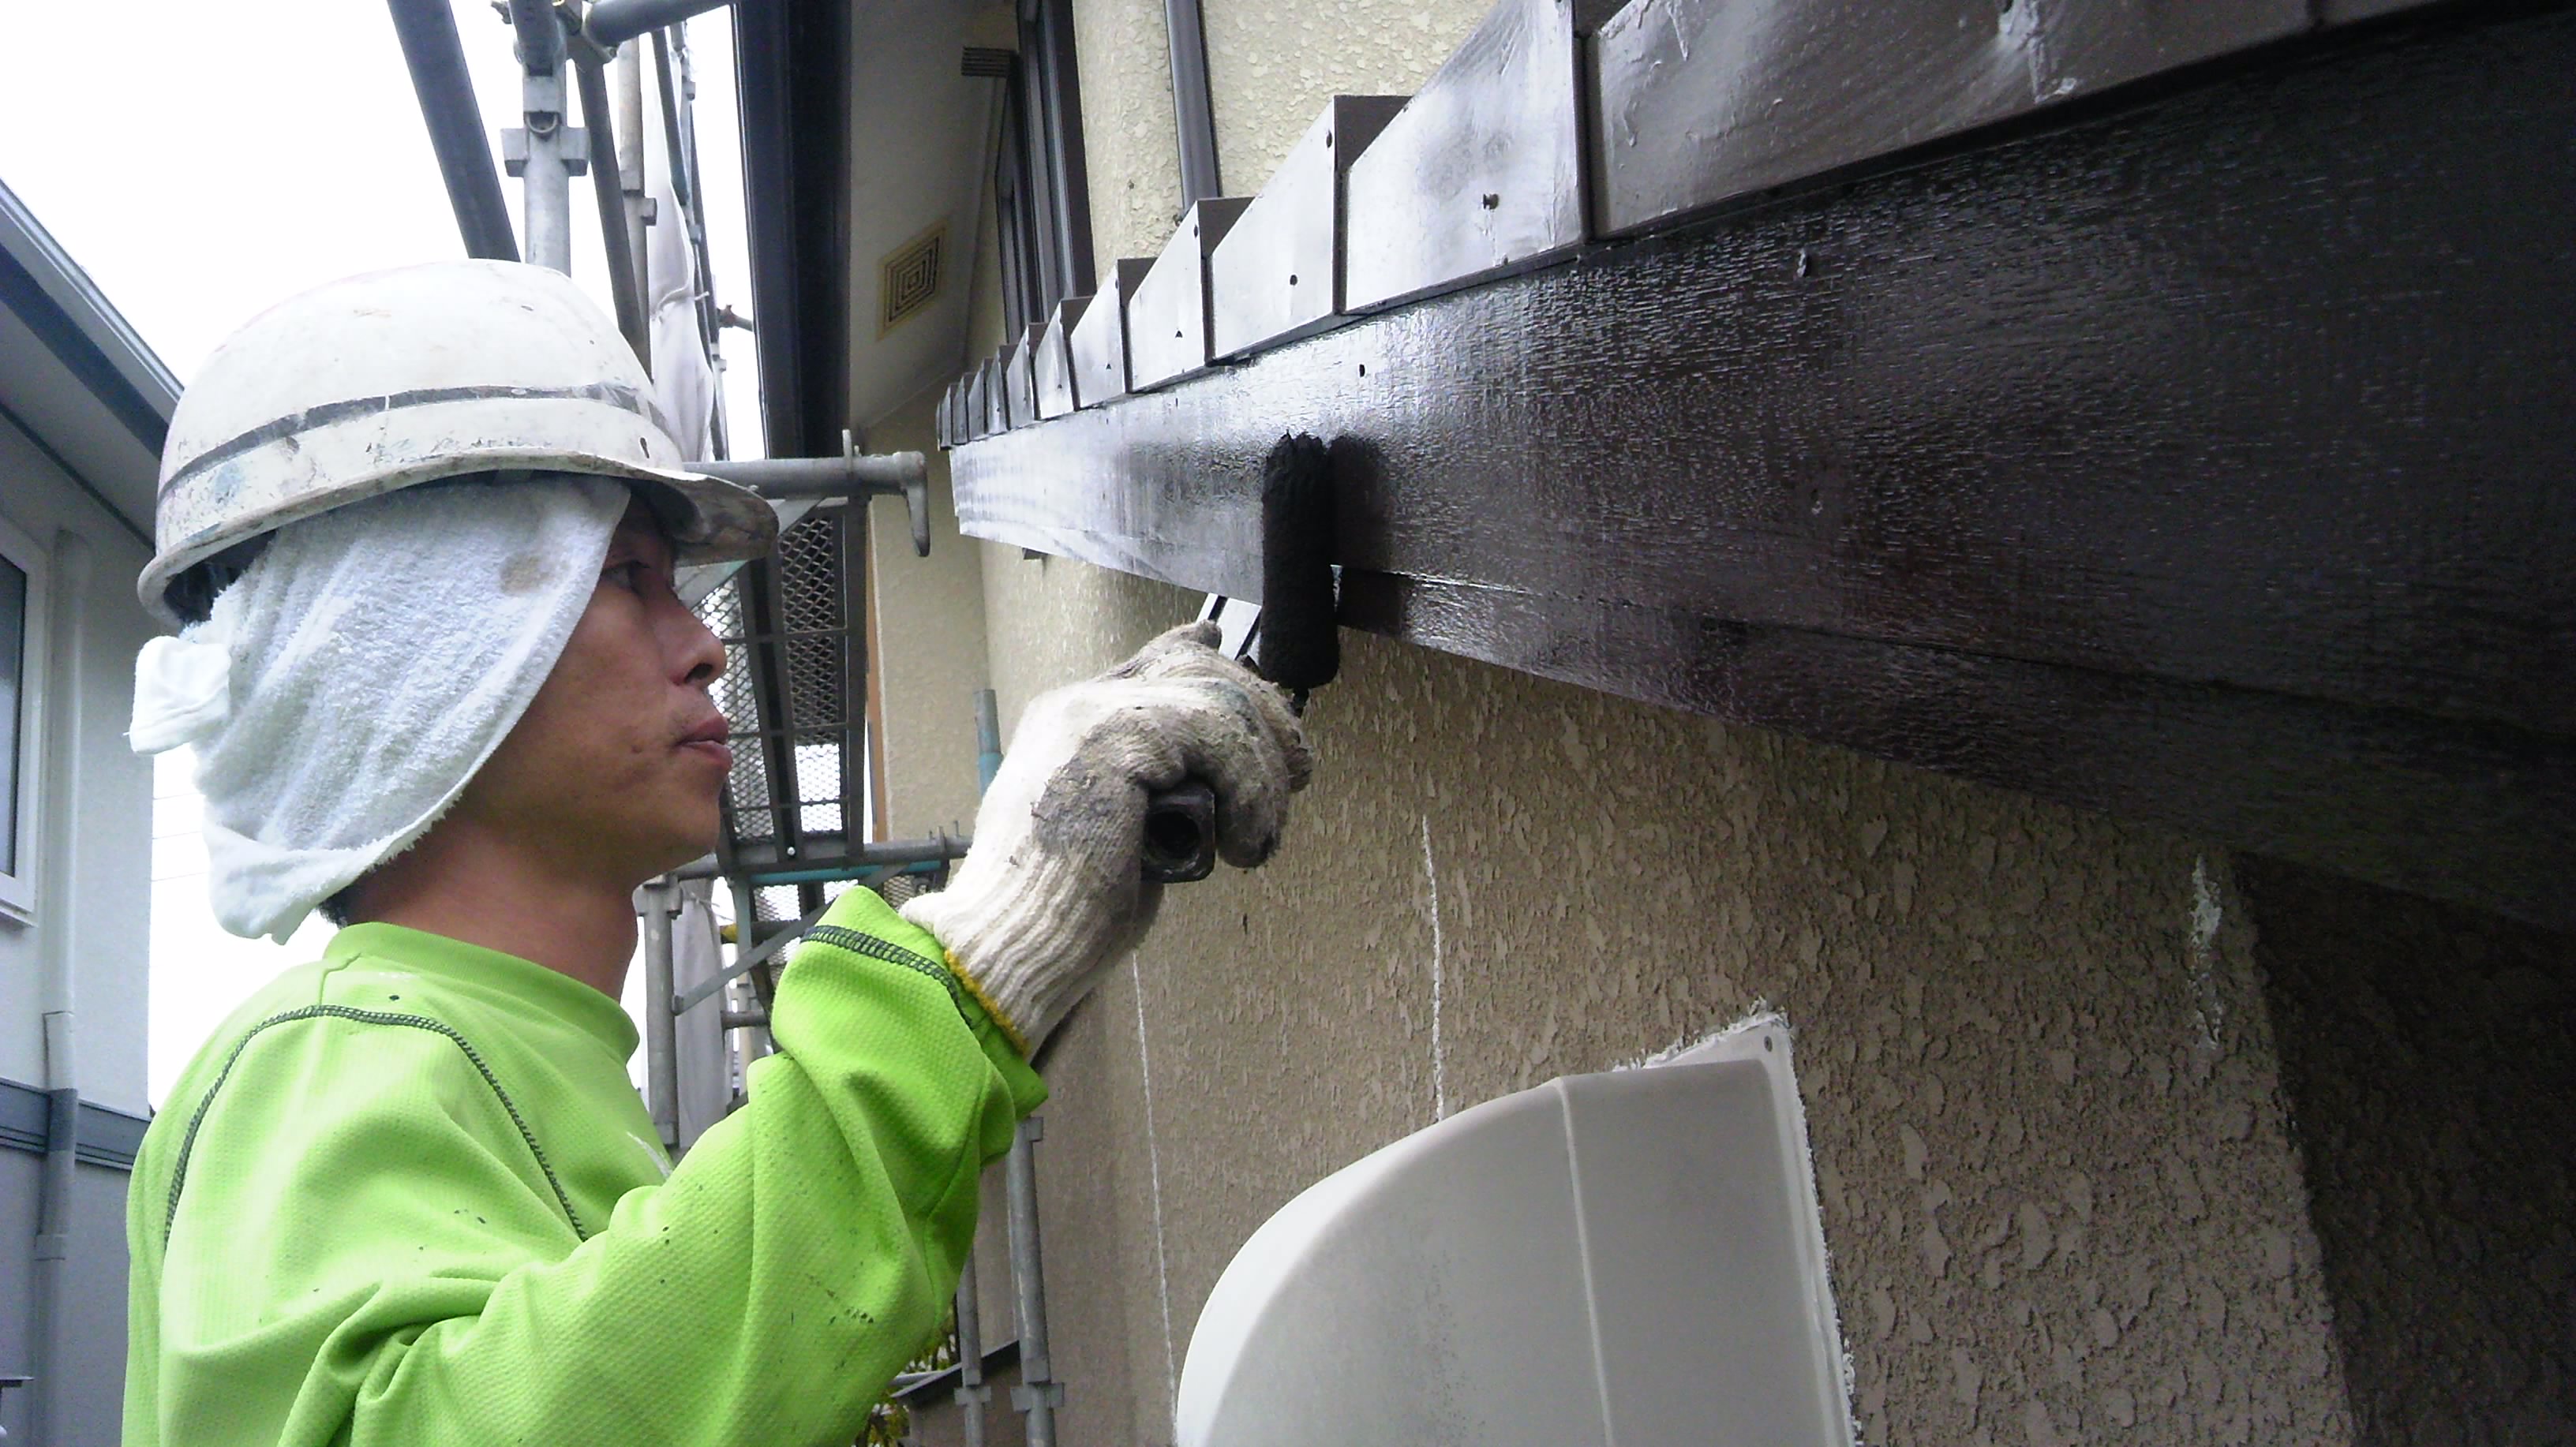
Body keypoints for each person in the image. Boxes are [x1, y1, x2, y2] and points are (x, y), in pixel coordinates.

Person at [120, 260, 1312, 1445]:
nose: (704, 646)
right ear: (427, 653)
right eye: (631, 578)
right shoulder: (325, 1059)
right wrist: (973, 969)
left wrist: (1005, 971)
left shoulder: (513, 1061)